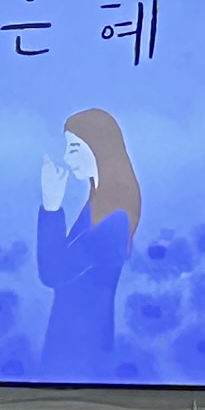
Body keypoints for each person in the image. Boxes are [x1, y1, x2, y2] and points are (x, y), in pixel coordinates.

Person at [35, 106, 141, 379]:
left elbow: (53, 272)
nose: (66, 158)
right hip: (76, 341)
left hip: (81, 347)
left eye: (73, 148)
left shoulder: (115, 215)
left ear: (99, 147)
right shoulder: (99, 204)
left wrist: (51, 206)